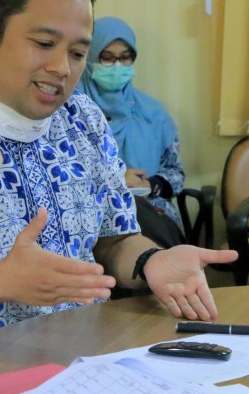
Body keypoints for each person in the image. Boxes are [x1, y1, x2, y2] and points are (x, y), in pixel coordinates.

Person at [0, 0, 237, 357]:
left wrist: (152, 261)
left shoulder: (82, 118)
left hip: (81, 360)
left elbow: (113, 240)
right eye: (44, 43)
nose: (62, 68)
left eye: (78, 53)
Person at [77, 16, 186, 248]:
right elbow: (57, 175)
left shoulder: (154, 114)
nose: (117, 66)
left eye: (125, 57)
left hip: (151, 213)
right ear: (89, 57)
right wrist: (115, 181)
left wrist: (152, 185)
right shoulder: (69, 112)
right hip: (90, 216)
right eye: (107, 58)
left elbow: (175, 173)